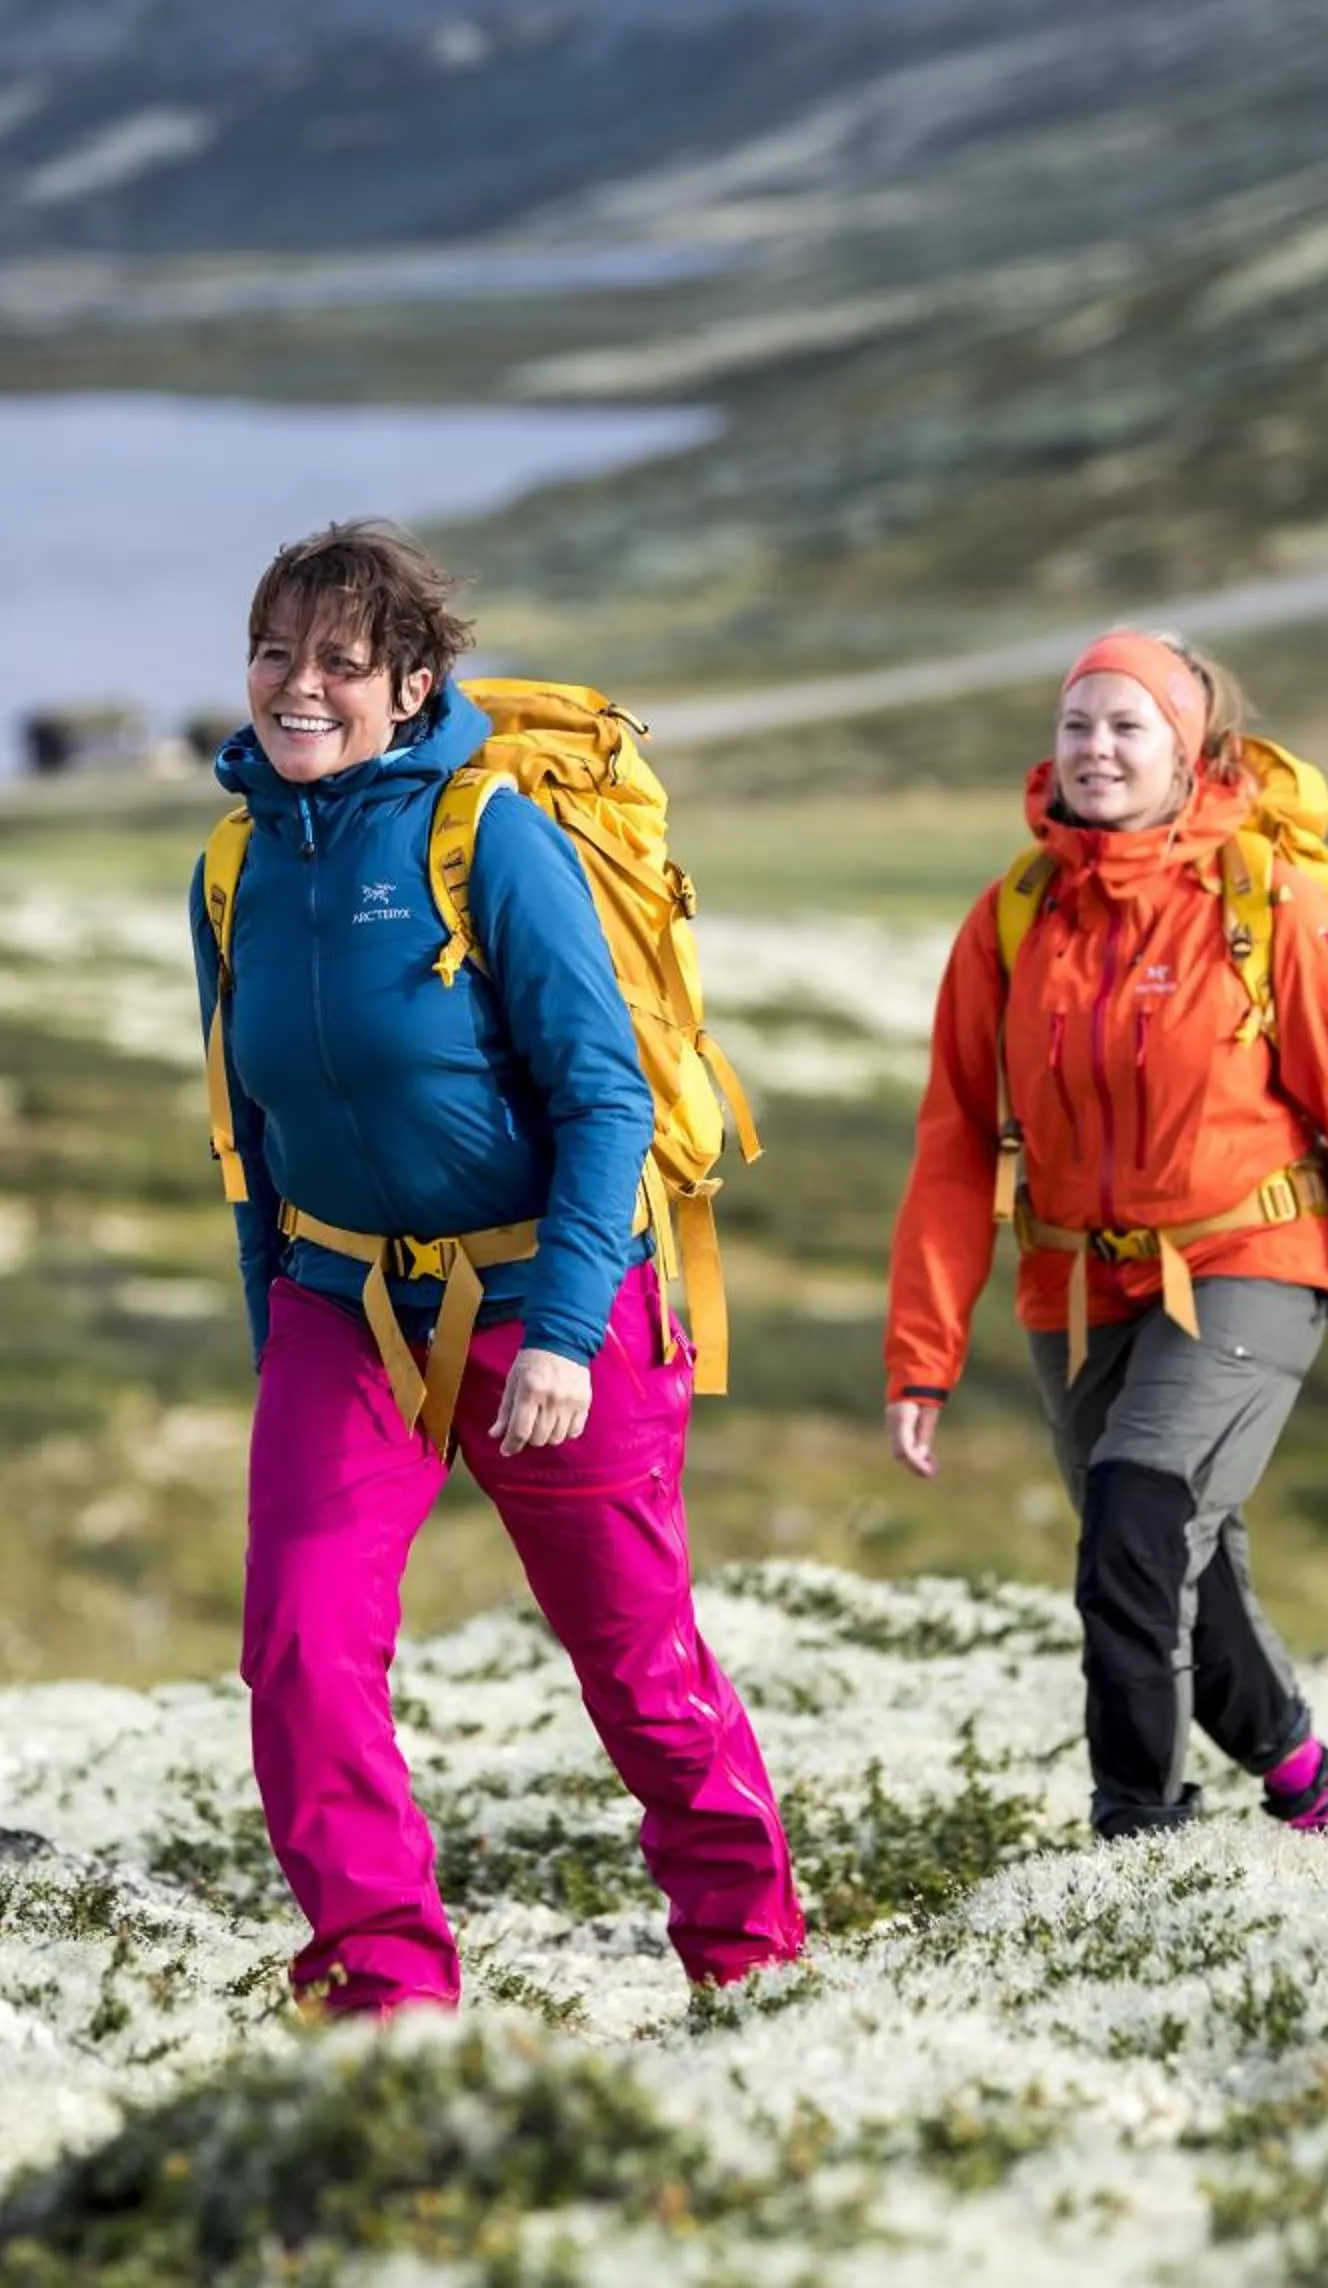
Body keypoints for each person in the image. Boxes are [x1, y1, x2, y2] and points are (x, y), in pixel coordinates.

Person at [191, 518, 805, 2014]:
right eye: (277, 652)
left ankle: (754, 1965)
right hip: (345, 1311)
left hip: (552, 1301)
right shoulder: (230, 867)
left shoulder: (491, 840)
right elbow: (248, 1125)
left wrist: (562, 1330)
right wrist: (280, 1325)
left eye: (343, 661)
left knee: (641, 1673)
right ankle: (388, 1993)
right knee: (301, 1650)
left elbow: (606, 1098)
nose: (300, 687)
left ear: (412, 683)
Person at [882, 629, 1328, 1848]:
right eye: (1077, 726)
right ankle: (1316, 1784)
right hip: (1077, 1288)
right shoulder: (1010, 919)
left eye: (1126, 727)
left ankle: (1139, 1841)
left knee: (1135, 1532)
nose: (1095, 749)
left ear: (1191, 752)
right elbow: (952, 1146)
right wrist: (922, 1356)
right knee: (1164, 1577)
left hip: (1249, 1263)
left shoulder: (1266, 904)